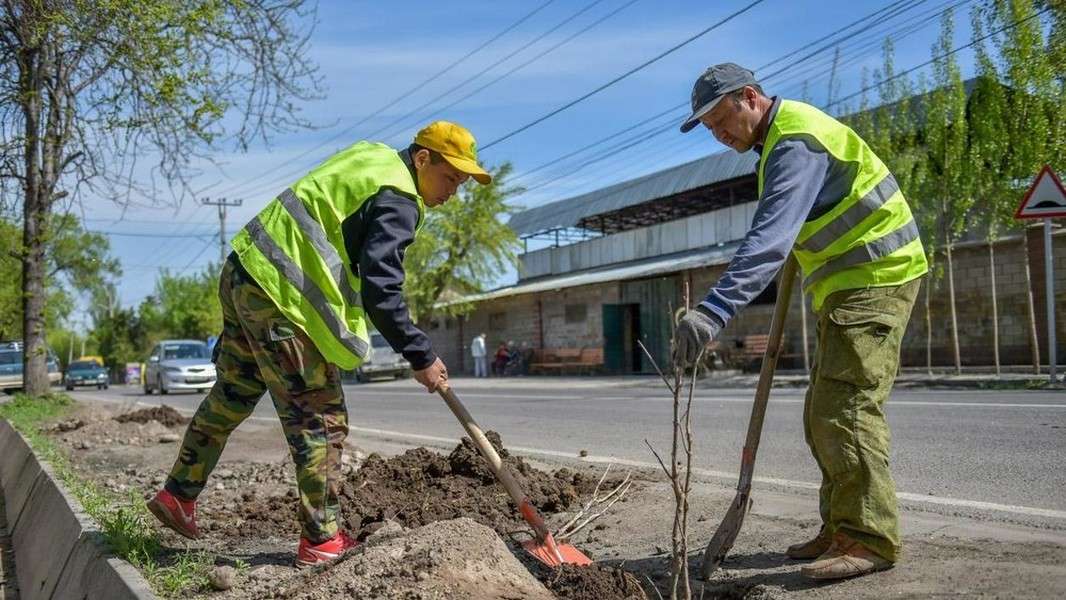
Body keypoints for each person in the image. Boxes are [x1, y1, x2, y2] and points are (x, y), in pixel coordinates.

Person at [145, 121, 492, 566]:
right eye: (451, 178)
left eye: (461, 183)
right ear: (422, 158)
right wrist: (420, 354)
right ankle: (322, 540)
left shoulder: (371, 157)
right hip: (283, 298)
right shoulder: (400, 198)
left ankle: (178, 494)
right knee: (320, 417)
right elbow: (381, 289)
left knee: (234, 392)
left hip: (246, 272)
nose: (453, 193)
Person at [675, 63, 927, 580]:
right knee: (822, 413)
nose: (719, 135)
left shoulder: (795, 142)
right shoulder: (778, 144)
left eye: (721, 120)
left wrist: (712, 312)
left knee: (845, 411)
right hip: (847, 289)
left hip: (875, 278)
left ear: (750, 97)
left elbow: (768, 241)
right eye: (709, 129)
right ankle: (841, 527)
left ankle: (869, 538)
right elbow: (790, 232)